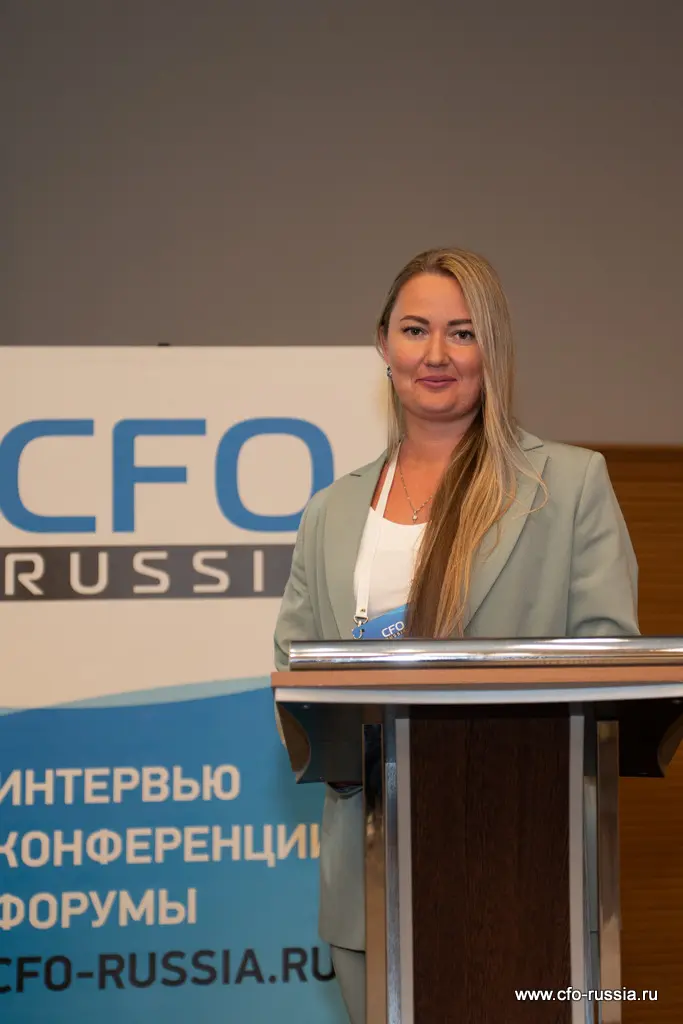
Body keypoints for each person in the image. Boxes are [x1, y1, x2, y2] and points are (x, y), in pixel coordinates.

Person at [273, 247, 639, 1023]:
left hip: (526, 872)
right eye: (415, 330)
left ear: (491, 349)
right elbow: (293, 673)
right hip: (370, 880)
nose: (435, 354)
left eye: (461, 332)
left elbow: (609, 665)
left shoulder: (568, 484)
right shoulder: (330, 511)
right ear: (382, 344)